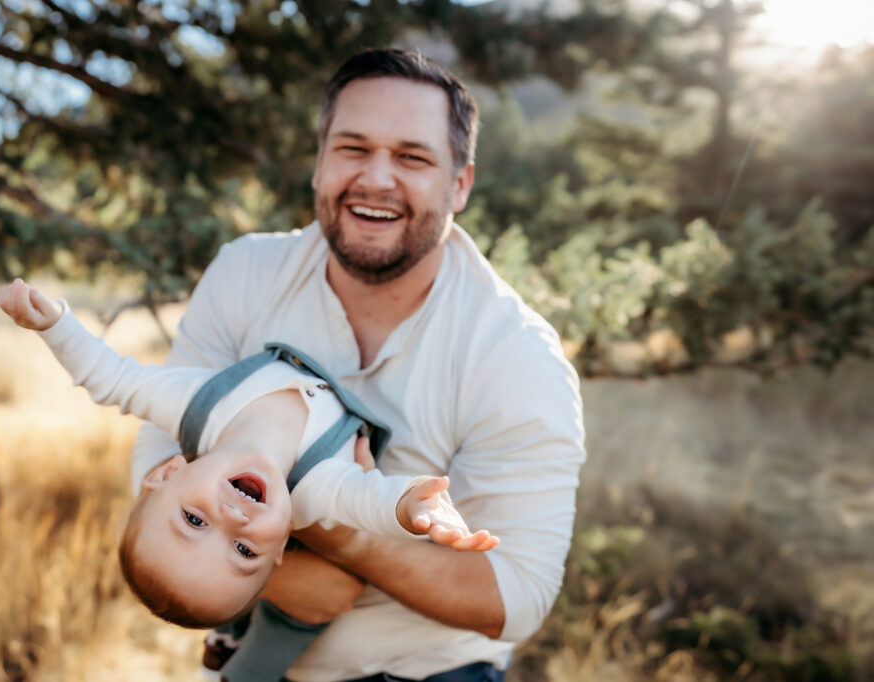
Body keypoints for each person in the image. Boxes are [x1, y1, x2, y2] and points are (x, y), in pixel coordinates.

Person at [131, 48, 586, 681]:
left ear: (460, 183)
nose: (376, 179)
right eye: (352, 148)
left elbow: (516, 599)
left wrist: (341, 537)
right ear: (319, 164)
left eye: (412, 157)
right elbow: (158, 447)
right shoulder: (245, 273)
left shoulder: (517, 356)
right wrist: (283, 579)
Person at [0, 278, 499, 630]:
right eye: (244, 550)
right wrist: (416, 508)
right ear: (280, 549)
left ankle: (228, 657)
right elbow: (372, 499)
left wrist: (54, 325)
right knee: (290, 632)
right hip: (317, 612)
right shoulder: (316, 487)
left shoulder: (195, 405)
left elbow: (111, 378)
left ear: (169, 470)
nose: (233, 519)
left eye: (194, 520)